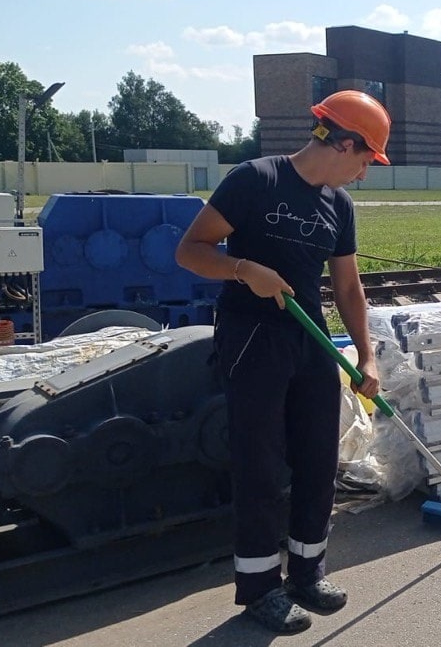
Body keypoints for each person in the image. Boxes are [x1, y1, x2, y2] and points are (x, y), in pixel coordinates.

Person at [175, 90, 388, 634]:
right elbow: (191, 250)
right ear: (344, 142)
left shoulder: (337, 206)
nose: (365, 172)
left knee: (319, 459)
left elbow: (348, 286)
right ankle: (261, 588)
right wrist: (245, 268)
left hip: (310, 339)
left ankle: (307, 571)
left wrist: (366, 355)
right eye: (365, 159)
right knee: (261, 466)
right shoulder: (256, 180)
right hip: (252, 338)